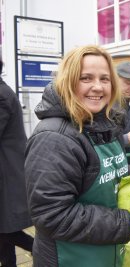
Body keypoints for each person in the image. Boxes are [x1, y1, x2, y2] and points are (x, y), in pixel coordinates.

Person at [24, 45, 130, 267]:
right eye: (86, 78)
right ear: (67, 80)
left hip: (104, 253)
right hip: (70, 258)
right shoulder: (54, 137)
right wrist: (123, 224)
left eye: (105, 79)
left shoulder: (102, 123)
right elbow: (53, 215)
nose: (97, 87)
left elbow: (107, 173)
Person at [0, 59, 34, 267]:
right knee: (4, 230)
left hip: (7, 176)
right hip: (7, 174)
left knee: (7, 230)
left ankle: (44, 250)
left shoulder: (1, 95)